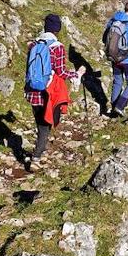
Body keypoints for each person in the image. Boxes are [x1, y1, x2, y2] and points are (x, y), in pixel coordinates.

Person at [24, 13, 84, 169]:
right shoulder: (58, 47)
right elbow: (61, 72)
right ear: (57, 30)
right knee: (45, 126)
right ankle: (36, 158)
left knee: (40, 122)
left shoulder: (33, 44)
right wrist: (77, 74)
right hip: (47, 92)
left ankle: (40, 148)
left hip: (32, 90)